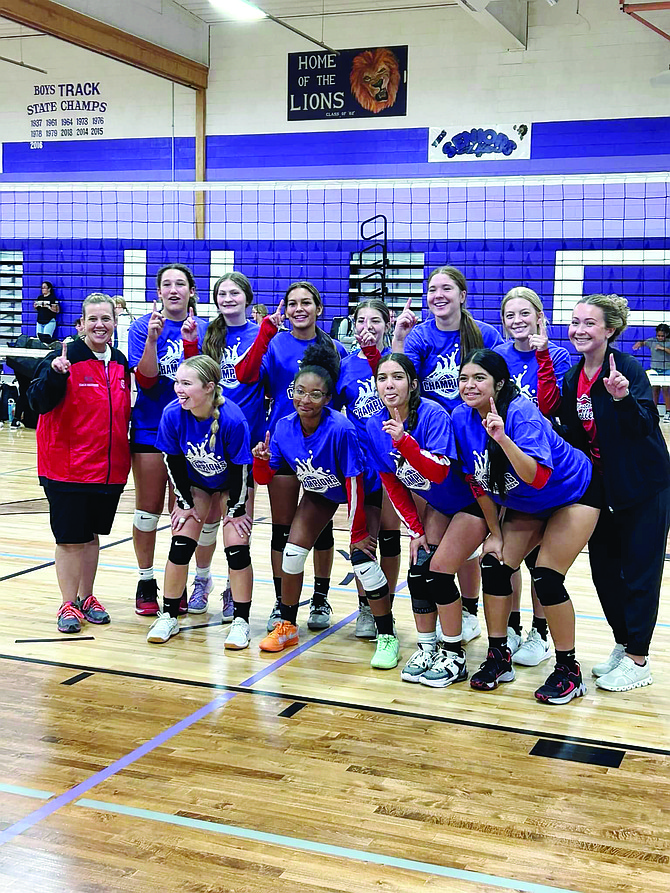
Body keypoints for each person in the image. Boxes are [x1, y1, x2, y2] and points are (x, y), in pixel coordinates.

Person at [537, 295, 670, 693]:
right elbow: (569, 427)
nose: (578, 329)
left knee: (641, 572)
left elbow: (645, 426)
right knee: (605, 572)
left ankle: (639, 659)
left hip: (644, 486)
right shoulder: (574, 374)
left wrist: (623, 398)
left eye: (589, 323)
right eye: (575, 321)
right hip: (601, 487)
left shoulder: (627, 369)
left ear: (609, 330)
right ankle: (623, 642)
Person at [453, 348, 600, 705]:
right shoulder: (460, 417)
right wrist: (495, 533)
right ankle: (499, 656)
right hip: (525, 504)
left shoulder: (521, 413)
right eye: (463, 378)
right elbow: (478, 482)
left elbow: (537, 477)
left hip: (573, 492)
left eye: (479, 378)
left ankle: (569, 670)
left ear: (499, 383)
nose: (469, 386)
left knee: (547, 577)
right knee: (494, 565)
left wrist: (503, 438)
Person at [252, 343, 396, 667]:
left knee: (364, 560)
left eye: (315, 395)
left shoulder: (341, 430)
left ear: (328, 400)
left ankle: (387, 634)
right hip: (324, 491)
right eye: (300, 391)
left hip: (362, 488)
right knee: (292, 552)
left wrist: (358, 532)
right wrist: (261, 463)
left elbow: (355, 482)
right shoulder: (283, 428)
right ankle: (287, 625)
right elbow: (265, 478)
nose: (305, 400)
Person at [392, 265, 502, 643]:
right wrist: (398, 340)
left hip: (474, 442)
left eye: (446, 288)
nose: (437, 295)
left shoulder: (484, 334)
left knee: (478, 536)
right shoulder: (420, 334)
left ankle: (475, 616)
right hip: (433, 444)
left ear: (462, 295)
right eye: (432, 289)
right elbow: (400, 379)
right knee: (434, 548)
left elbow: (499, 381)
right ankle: (449, 620)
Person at [366, 353, 487, 687]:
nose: (389, 384)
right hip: (437, 507)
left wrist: (403, 440)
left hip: (471, 504)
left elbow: (437, 471)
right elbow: (391, 480)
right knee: (419, 571)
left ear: (413, 384)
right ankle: (428, 647)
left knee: (439, 574)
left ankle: (454, 654)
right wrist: (416, 529)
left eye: (397, 377)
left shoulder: (433, 415)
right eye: (382, 378)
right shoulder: (374, 424)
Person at [236, 282, 347, 633]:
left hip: (322, 444)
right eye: (293, 303)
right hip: (282, 442)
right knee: (282, 530)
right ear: (285, 308)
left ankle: (320, 597)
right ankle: (284, 602)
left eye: (307, 303)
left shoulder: (334, 347)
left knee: (322, 527)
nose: (300, 309)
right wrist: (265, 333)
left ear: (319, 308)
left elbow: (344, 396)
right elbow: (247, 375)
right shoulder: (274, 342)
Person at [27, 293, 131, 633]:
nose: (100, 325)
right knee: (70, 540)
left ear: (115, 323)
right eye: (93, 319)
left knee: (90, 538)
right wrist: (56, 374)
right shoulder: (62, 356)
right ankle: (67, 603)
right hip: (66, 468)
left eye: (106, 319)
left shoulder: (119, 361)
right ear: (81, 324)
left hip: (107, 470)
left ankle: (87, 597)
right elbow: (37, 403)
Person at [148, 355, 254, 648]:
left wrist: (236, 509)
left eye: (186, 383)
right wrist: (184, 503)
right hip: (196, 484)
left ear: (208, 387)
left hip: (231, 485)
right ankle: (168, 615)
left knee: (237, 547)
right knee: (181, 543)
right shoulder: (172, 414)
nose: (178, 389)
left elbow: (241, 471)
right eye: (177, 382)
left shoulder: (232, 419)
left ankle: (241, 622)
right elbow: (173, 462)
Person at [495, 286, 571, 667]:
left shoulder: (556, 356)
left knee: (540, 559)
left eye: (525, 313)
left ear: (540, 316)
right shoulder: (499, 358)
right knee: (510, 554)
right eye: (510, 315)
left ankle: (540, 634)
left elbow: (552, 407)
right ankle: (511, 624)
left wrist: (541, 354)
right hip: (507, 466)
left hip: (545, 465)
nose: (517, 321)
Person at [127, 264, 209, 617]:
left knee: (186, 512)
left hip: (192, 435)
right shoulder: (142, 326)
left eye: (180, 284)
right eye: (166, 284)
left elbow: (207, 382)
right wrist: (151, 340)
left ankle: (187, 583)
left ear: (192, 290)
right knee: (147, 512)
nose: (173, 289)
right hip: (149, 428)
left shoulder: (206, 329)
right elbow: (145, 382)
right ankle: (146, 580)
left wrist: (191, 342)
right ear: (158, 291)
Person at [191, 272, 263, 619]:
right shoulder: (209, 333)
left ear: (247, 297)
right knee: (204, 521)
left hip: (243, 440)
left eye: (235, 292)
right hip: (206, 438)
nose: (228, 298)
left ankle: (234, 590)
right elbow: (193, 378)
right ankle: (201, 580)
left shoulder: (263, 335)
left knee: (238, 521)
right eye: (222, 293)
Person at [333, 299, 401, 639]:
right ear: (353, 325)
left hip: (393, 461)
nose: (367, 327)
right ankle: (365, 606)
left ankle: (384, 605)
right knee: (363, 538)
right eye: (361, 321)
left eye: (375, 320)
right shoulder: (345, 367)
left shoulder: (396, 361)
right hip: (361, 464)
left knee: (390, 538)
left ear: (386, 323)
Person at [633, 323, 670, 420]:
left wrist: (663, 348)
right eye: (658, 335)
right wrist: (639, 344)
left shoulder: (669, 342)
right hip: (655, 369)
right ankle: (654, 411)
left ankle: (668, 412)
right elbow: (644, 343)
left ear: (667, 334)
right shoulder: (652, 341)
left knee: (666, 390)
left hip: (667, 369)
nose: (660, 337)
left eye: (662, 336)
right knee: (654, 390)